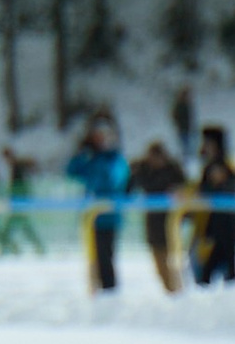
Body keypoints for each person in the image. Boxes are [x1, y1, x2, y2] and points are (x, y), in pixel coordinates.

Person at [65, 112, 128, 295]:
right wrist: (82, 154)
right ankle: (97, 291)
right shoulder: (90, 158)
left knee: (105, 256)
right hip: (91, 216)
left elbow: (113, 181)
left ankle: (109, 292)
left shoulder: (115, 160)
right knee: (94, 258)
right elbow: (72, 171)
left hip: (108, 216)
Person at [131, 130, 185, 292]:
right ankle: (171, 291)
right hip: (153, 222)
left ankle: (178, 291)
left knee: (175, 260)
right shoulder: (143, 171)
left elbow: (184, 187)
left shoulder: (173, 171)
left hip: (172, 222)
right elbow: (130, 186)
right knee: (159, 263)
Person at [193, 125, 235, 286]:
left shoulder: (229, 163)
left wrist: (221, 182)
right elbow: (203, 190)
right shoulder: (209, 165)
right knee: (207, 272)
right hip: (212, 227)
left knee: (226, 273)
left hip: (227, 226)